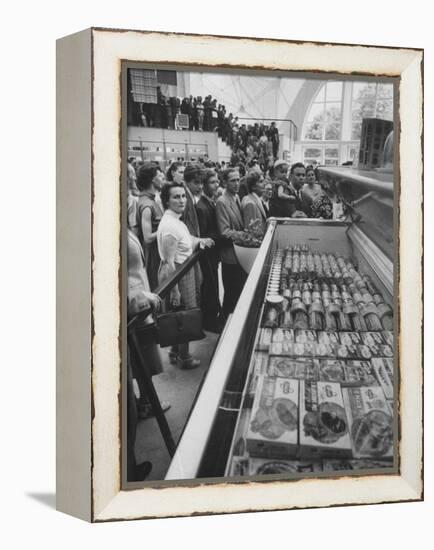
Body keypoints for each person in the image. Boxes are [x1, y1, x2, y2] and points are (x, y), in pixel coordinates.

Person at [157, 183, 214, 369]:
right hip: (177, 275)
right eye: (176, 197)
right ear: (166, 200)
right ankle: (184, 357)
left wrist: (200, 240)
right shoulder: (170, 226)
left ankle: (175, 352)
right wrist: (174, 291)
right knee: (184, 314)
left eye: (183, 196)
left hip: (183, 272)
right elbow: (168, 262)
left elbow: (186, 239)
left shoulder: (176, 221)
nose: (181, 200)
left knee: (178, 315)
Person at [127, 228, 168, 480]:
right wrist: (139, 297)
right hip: (132, 311)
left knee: (142, 363)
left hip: (138, 307)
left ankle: (143, 403)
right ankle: (127, 472)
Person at [216, 168, 248, 317]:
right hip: (230, 256)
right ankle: (225, 323)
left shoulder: (236, 198)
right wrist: (246, 235)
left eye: (238, 180)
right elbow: (224, 231)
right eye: (233, 180)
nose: (237, 183)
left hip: (239, 254)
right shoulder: (222, 202)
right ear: (224, 182)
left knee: (237, 292)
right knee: (231, 294)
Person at [196, 169, 223, 332]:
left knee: (214, 287)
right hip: (207, 255)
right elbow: (204, 234)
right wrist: (221, 235)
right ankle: (210, 322)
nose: (216, 185)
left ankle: (213, 318)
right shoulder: (201, 207)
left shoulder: (210, 202)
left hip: (213, 254)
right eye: (212, 182)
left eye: (217, 182)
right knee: (210, 287)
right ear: (204, 185)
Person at [136, 162, 165, 290]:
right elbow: (147, 237)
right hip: (153, 257)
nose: (163, 178)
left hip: (157, 253)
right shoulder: (147, 205)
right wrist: (165, 228)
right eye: (160, 176)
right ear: (153, 180)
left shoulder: (151, 200)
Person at [241, 170, 267, 236]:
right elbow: (250, 230)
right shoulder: (250, 203)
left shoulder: (255, 199)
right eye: (261, 182)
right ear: (253, 187)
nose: (264, 184)